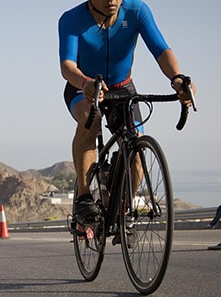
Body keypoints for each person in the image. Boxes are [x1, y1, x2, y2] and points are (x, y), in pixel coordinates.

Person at [58, 0, 196, 222]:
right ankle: (84, 197)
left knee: (137, 149)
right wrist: (85, 83)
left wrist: (177, 78)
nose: (111, 0)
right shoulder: (71, 19)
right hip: (83, 87)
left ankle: (124, 209)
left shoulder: (137, 11)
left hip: (123, 89)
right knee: (89, 120)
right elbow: (67, 65)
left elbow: (161, 50)